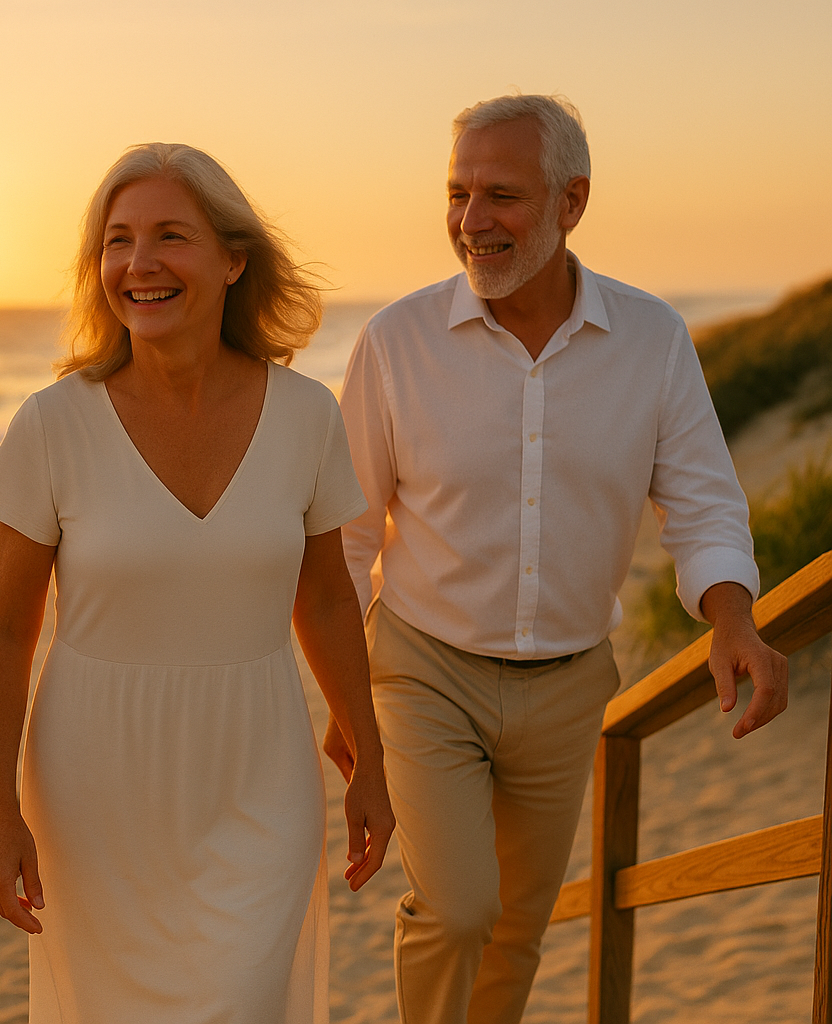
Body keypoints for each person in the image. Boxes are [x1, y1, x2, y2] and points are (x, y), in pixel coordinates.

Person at [328, 95, 789, 1024]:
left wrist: (733, 618)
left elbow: (700, 500)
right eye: (456, 193)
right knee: (459, 910)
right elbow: (348, 537)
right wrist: (345, 700)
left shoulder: (651, 341)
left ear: (572, 201)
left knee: (518, 925)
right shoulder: (396, 343)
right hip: (423, 671)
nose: (470, 222)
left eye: (500, 195)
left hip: (572, 682)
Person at [0, 142, 395, 1024]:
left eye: (171, 236)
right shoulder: (54, 424)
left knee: (243, 1002)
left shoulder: (306, 415)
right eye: (117, 241)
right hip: (93, 787)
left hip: (258, 772)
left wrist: (369, 754)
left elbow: (321, 599)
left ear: (234, 260)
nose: (140, 264)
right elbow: (6, 630)